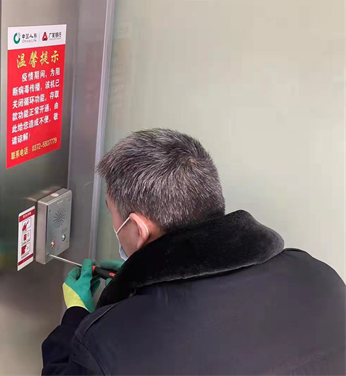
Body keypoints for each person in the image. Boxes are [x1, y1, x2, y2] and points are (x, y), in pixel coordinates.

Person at [42, 129, 346, 376]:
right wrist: (139, 287)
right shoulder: (318, 275)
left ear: (137, 228)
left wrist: (77, 317)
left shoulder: (106, 343)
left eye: (112, 213)